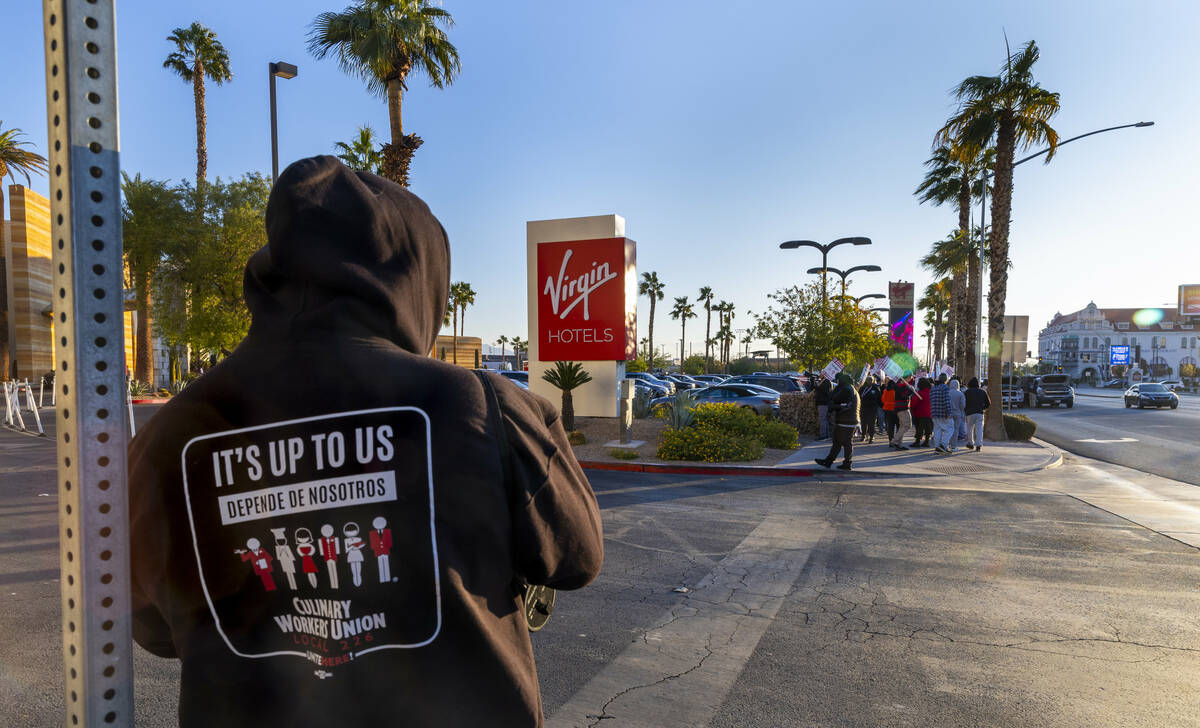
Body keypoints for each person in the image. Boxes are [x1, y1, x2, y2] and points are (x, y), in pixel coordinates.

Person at [127, 156, 604, 727]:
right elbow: (576, 558)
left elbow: (152, 628)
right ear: (415, 279)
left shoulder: (171, 435)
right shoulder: (484, 407)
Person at [815, 372, 860, 470]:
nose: (837, 382)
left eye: (839, 380)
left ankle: (834, 462)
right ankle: (838, 462)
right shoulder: (852, 389)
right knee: (843, 443)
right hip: (851, 420)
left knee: (840, 442)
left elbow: (833, 400)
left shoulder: (846, 390)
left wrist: (835, 404)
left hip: (845, 420)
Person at [964, 377, 991, 451]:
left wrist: (965, 409)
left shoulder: (967, 392)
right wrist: (983, 408)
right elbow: (988, 403)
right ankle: (979, 445)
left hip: (969, 413)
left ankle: (970, 443)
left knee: (970, 428)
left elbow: (963, 403)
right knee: (979, 429)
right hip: (979, 413)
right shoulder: (983, 392)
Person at [889, 376, 916, 451]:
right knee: (907, 425)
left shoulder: (900, 385)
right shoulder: (901, 386)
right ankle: (895, 441)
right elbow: (904, 395)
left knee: (902, 426)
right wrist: (911, 390)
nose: (911, 379)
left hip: (900, 408)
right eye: (910, 377)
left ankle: (898, 444)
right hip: (902, 408)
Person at [930, 374, 953, 454]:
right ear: (946, 380)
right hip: (942, 412)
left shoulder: (933, 388)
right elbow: (946, 401)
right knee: (950, 428)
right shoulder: (945, 388)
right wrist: (949, 412)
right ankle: (943, 445)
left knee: (937, 430)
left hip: (934, 412)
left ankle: (937, 447)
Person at [858, 376, 881, 444]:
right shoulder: (862, 388)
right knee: (863, 423)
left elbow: (879, 399)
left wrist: (881, 406)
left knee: (871, 423)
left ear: (873, 380)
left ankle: (871, 437)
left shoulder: (876, 388)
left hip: (872, 409)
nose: (869, 381)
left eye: (870, 380)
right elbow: (859, 397)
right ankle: (863, 435)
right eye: (867, 380)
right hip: (863, 408)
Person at [910, 377, 933, 447]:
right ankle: (926, 441)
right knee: (928, 428)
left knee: (919, 428)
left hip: (920, 413)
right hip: (929, 413)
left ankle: (917, 442)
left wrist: (911, 407)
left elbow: (914, 403)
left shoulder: (920, 392)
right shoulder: (931, 391)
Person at [948, 379, 967, 452]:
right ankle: (953, 446)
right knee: (956, 430)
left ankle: (947, 444)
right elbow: (963, 405)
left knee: (948, 429)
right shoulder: (960, 394)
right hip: (958, 413)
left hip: (949, 413)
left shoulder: (947, 393)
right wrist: (961, 410)